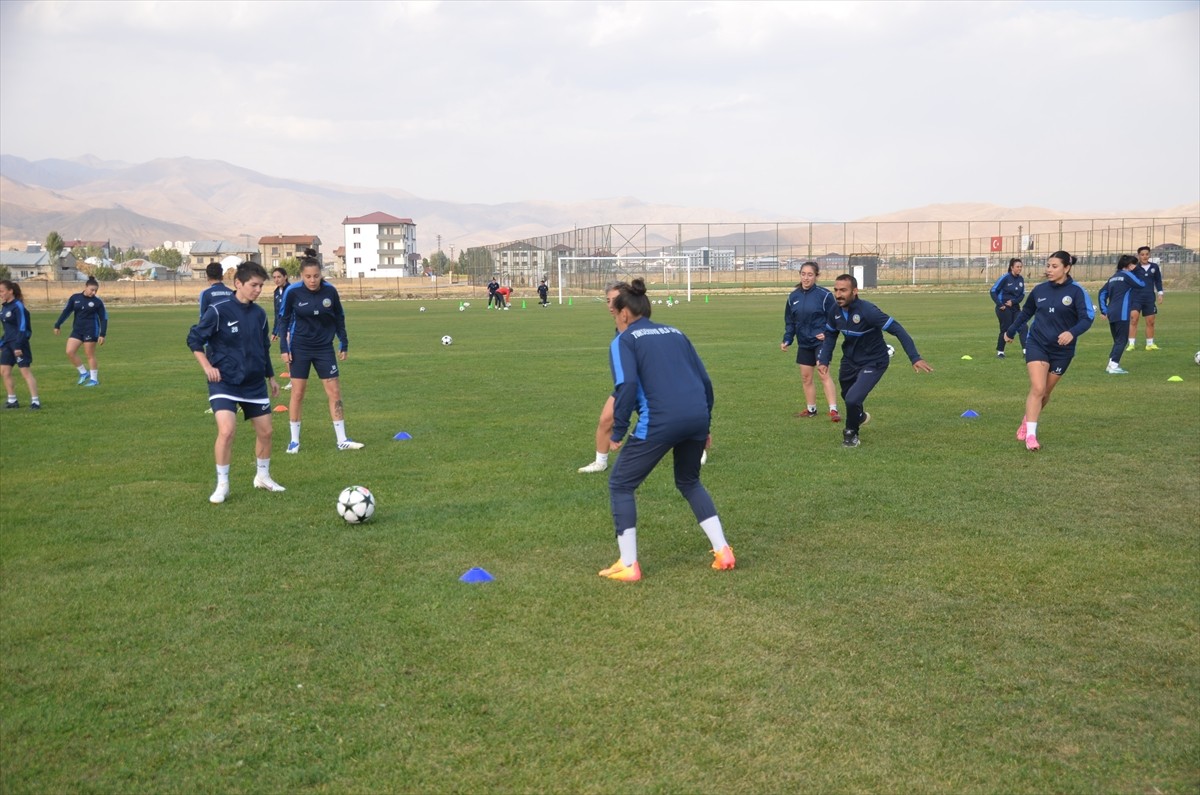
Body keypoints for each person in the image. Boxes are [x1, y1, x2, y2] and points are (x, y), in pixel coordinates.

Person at [598, 278, 733, 582]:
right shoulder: (676, 332)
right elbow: (706, 382)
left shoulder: (624, 340)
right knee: (689, 481)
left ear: (624, 314)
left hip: (660, 420)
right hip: (696, 416)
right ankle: (723, 550)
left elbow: (627, 385)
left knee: (620, 484)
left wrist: (618, 431)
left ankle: (629, 564)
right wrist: (705, 424)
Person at [187, 261, 285, 504]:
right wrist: (207, 367)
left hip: (253, 383)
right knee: (227, 430)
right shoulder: (218, 310)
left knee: (267, 432)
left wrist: (271, 377)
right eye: (254, 285)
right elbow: (194, 339)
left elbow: (263, 348)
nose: (258, 290)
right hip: (225, 382)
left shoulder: (260, 314)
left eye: (261, 286)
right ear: (238, 283)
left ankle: (262, 477)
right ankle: (223, 484)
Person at [817, 274, 933, 448]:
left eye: (843, 290)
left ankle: (851, 434)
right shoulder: (835, 311)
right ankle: (860, 416)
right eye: (836, 290)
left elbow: (898, 330)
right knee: (847, 396)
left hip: (874, 361)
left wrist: (914, 357)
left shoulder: (868, 311)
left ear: (855, 291)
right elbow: (831, 335)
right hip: (849, 361)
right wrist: (824, 359)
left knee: (852, 399)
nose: (838, 294)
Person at [1004, 251, 1094, 452]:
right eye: (1048, 266)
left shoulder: (1077, 292)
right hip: (1037, 343)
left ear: (1067, 268)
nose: (1049, 270)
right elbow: (1026, 313)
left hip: (1063, 350)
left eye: (1054, 266)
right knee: (1037, 388)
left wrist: (1072, 333)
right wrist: (1010, 331)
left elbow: (1087, 318)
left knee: (1045, 392)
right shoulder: (1039, 290)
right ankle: (1031, 436)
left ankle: (1027, 420)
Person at [278, 253, 363, 452]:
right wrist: (284, 348)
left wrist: (344, 342)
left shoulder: (330, 292)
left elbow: (339, 317)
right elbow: (283, 320)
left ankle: (342, 439)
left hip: (324, 349)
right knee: (298, 393)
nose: (312, 280)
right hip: (300, 348)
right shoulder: (292, 292)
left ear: (320, 274)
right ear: (301, 276)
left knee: (334, 392)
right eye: (308, 276)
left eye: (316, 276)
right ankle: (294, 441)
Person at [780, 261, 840, 421]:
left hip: (821, 342)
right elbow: (790, 321)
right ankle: (811, 409)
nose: (806, 278)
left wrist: (827, 333)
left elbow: (836, 317)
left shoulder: (825, 295)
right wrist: (787, 339)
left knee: (823, 372)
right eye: (803, 274)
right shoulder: (793, 297)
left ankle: (833, 410)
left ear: (816, 276)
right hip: (804, 343)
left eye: (810, 274)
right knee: (806, 377)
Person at [578, 282, 626, 473]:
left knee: (669, 420)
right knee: (606, 419)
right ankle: (600, 462)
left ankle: (696, 448)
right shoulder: (619, 327)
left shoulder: (636, 325)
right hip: (626, 384)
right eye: (608, 300)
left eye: (615, 300)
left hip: (647, 384)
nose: (610, 305)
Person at [53, 277, 108, 386]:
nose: (94, 292)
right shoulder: (75, 298)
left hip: (91, 330)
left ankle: (94, 380)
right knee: (70, 351)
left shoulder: (97, 302)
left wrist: (102, 334)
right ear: (85, 287)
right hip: (77, 330)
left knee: (89, 355)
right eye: (92, 289)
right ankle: (83, 373)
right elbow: (66, 312)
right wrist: (57, 324)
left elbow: (103, 318)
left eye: (96, 291)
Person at [1097, 254, 1144, 375]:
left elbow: (1102, 293)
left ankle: (1110, 365)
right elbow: (1141, 284)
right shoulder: (1127, 275)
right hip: (1122, 312)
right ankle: (1114, 366)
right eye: (1135, 264)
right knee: (1122, 340)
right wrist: (1138, 270)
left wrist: (1104, 310)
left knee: (1118, 340)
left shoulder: (1113, 277)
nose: (1136, 266)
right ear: (1129, 266)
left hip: (1112, 312)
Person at [0, 280, 42, 410]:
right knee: (4, 371)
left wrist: (18, 345)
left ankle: (35, 402)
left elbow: (23, 328)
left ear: (10, 291)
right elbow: (7, 330)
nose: (0, 294)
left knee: (25, 372)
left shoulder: (18, 306)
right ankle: (12, 400)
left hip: (19, 344)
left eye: (1, 291)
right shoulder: (5, 307)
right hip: (7, 343)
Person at [1127, 245, 1164, 350]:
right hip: (1135, 297)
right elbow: (1127, 280)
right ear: (1138, 256)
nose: (1145, 256)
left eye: (1147, 254)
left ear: (1149, 255)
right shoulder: (1134, 268)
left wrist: (1160, 293)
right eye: (1142, 254)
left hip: (1149, 298)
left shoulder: (1154, 267)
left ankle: (1150, 344)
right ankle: (1131, 344)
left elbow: (1158, 281)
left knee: (1150, 321)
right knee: (1134, 319)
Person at [989, 258, 1026, 358]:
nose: (1019, 268)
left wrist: (1013, 302)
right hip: (1004, 309)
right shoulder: (1005, 278)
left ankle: (1025, 352)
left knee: (1023, 326)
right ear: (1012, 267)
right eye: (1017, 267)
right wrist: (1000, 304)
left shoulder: (1021, 279)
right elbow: (993, 291)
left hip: (1016, 308)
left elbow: (1022, 295)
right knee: (1006, 328)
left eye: (1021, 267)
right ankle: (1000, 352)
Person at [270, 265, 292, 390]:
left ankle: (294, 380)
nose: (277, 279)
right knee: (286, 353)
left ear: (285, 277)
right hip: (283, 328)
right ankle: (293, 379)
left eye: (279, 277)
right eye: (274, 277)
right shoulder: (276, 292)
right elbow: (277, 313)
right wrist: (275, 331)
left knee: (289, 353)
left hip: (292, 327)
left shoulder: (292, 290)